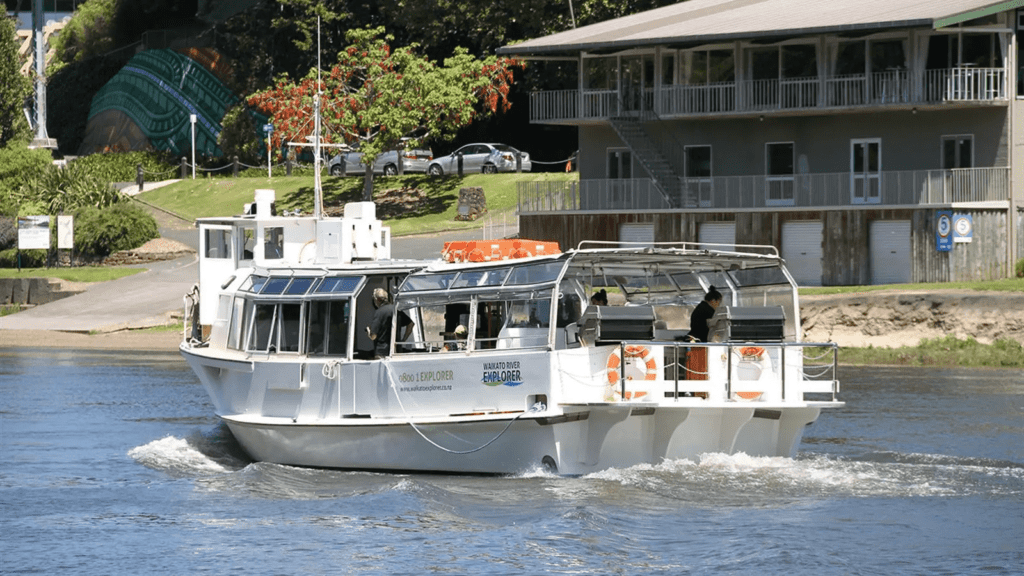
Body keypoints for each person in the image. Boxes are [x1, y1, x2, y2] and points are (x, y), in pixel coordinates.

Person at [367, 288, 414, 357]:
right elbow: (411, 324)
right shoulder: (396, 310)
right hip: (397, 351)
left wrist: (368, 330)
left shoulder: (379, 312)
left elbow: (373, 336)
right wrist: (403, 340)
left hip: (382, 353)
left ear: (378, 300)